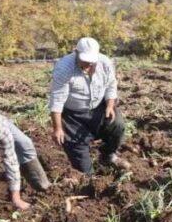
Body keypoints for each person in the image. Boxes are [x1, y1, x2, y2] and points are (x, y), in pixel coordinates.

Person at [48, 37, 130, 176]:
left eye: (92, 61)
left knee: (118, 126)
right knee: (83, 167)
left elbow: (111, 85)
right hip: (72, 116)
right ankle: (88, 177)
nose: (88, 65)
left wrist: (110, 106)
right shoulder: (64, 68)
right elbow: (57, 100)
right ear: (76, 52)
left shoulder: (105, 63)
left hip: (98, 107)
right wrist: (57, 128)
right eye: (85, 61)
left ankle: (107, 156)